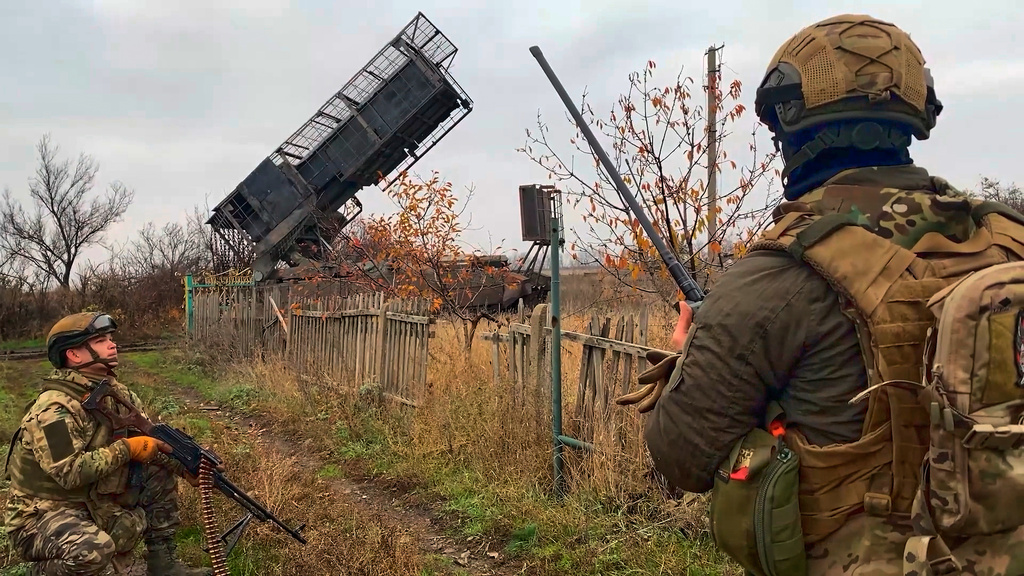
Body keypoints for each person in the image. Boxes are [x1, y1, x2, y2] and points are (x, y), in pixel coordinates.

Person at [616, 13, 1024, 576]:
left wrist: (688, 356)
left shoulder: (780, 276)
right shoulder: (1007, 240)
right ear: (916, 116)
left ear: (790, 125)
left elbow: (680, 456)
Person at [3, 311, 213, 576]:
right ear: (74, 354)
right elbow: (70, 472)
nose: (113, 345)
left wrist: (187, 467)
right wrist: (127, 449)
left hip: (90, 501)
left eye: (111, 338)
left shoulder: (116, 393)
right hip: (40, 515)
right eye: (101, 340)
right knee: (93, 552)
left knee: (157, 469)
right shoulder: (53, 409)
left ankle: (163, 562)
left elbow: (151, 444)